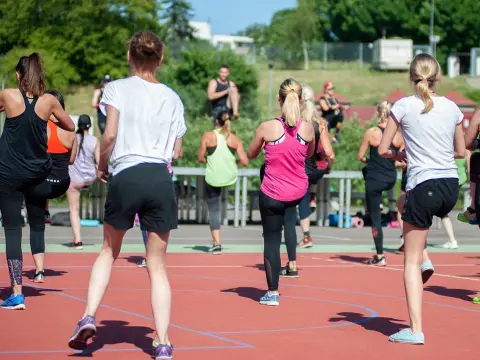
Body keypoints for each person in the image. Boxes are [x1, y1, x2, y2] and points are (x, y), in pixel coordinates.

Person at [68, 32, 186, 360]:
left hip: (127, 172)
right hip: (159, 177)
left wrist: (103, 165)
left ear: (129, 57)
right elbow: (176, 149)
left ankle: (88, 316)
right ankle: (162, 342)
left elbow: (110, 134)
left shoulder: (116, 88)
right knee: (157, 266)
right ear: (160, 59)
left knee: (108, 251)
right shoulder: (173, 98)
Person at [379, 53, 465, 344]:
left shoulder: (403, 106)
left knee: (410, 262)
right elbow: (461, 151)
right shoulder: (452, 107)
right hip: (450, 186)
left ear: (411, 77)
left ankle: (415, 329)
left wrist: (400, 154)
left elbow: (381, 149)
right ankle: (426, 259)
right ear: (438, 77)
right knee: (413, 214)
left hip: (423, 183)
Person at [0, 53, 75, 310]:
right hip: (37, 174)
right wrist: (47, 116)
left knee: (12, 231)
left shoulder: (8, 95)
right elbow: (70, 126)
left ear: (19, 76)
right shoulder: (49, 101)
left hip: (8, 173)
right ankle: (39, 264)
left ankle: (17, 293)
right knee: (35, 221)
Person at [247, 78, 315, 306]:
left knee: (272, 240)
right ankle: (292, 262)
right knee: (289, 224)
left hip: (273, 193)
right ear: (302, 99)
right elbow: (308, 153)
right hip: (295, 191)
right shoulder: (307, 128)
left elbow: (251, 153)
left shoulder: (267, 127)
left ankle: (273, 292)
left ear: (279, 99)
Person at [26, 90, 77, 282]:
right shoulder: (70, 131)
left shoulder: (37, 128)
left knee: (36, 226)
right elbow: (71, 161)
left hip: (40, 185)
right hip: (61, 183)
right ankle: (45, 208)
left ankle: (39, 271)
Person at [357, 101, 404, 265]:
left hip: (375, 179)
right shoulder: (398, 136)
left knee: (375, 217)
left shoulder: (372, 132)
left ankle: (379, 255)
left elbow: (360, 156)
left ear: (378, 113)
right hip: (390, 178)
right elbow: (403, 160)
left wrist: (371, 161)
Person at [198, 111, 248, 254]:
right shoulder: (234, 139)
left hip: (213, 177)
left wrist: (209, 159)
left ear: (216, 122)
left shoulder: (208, 136)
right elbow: (244, 161)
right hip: (230, 176)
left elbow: (201, 158)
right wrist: (233, 162)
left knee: (214, 209)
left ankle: (217, 243)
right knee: (225, 198)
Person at [295, 85, 334, 252]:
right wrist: (328, 168)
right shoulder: (320, 123)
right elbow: (330, 154)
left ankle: (305, 235)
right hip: (316, 169)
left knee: (296, 199)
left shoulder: (295, 122)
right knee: (307, 186)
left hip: (298, 169)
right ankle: (313, 194)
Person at [67, 115, 100, 249]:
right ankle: (86, 187)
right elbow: (98, 161)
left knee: (74, 209)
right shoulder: (94, 140)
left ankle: (78, 241)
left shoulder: (72, 138)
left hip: (74, 180)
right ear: (90, 126)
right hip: (90, 178)